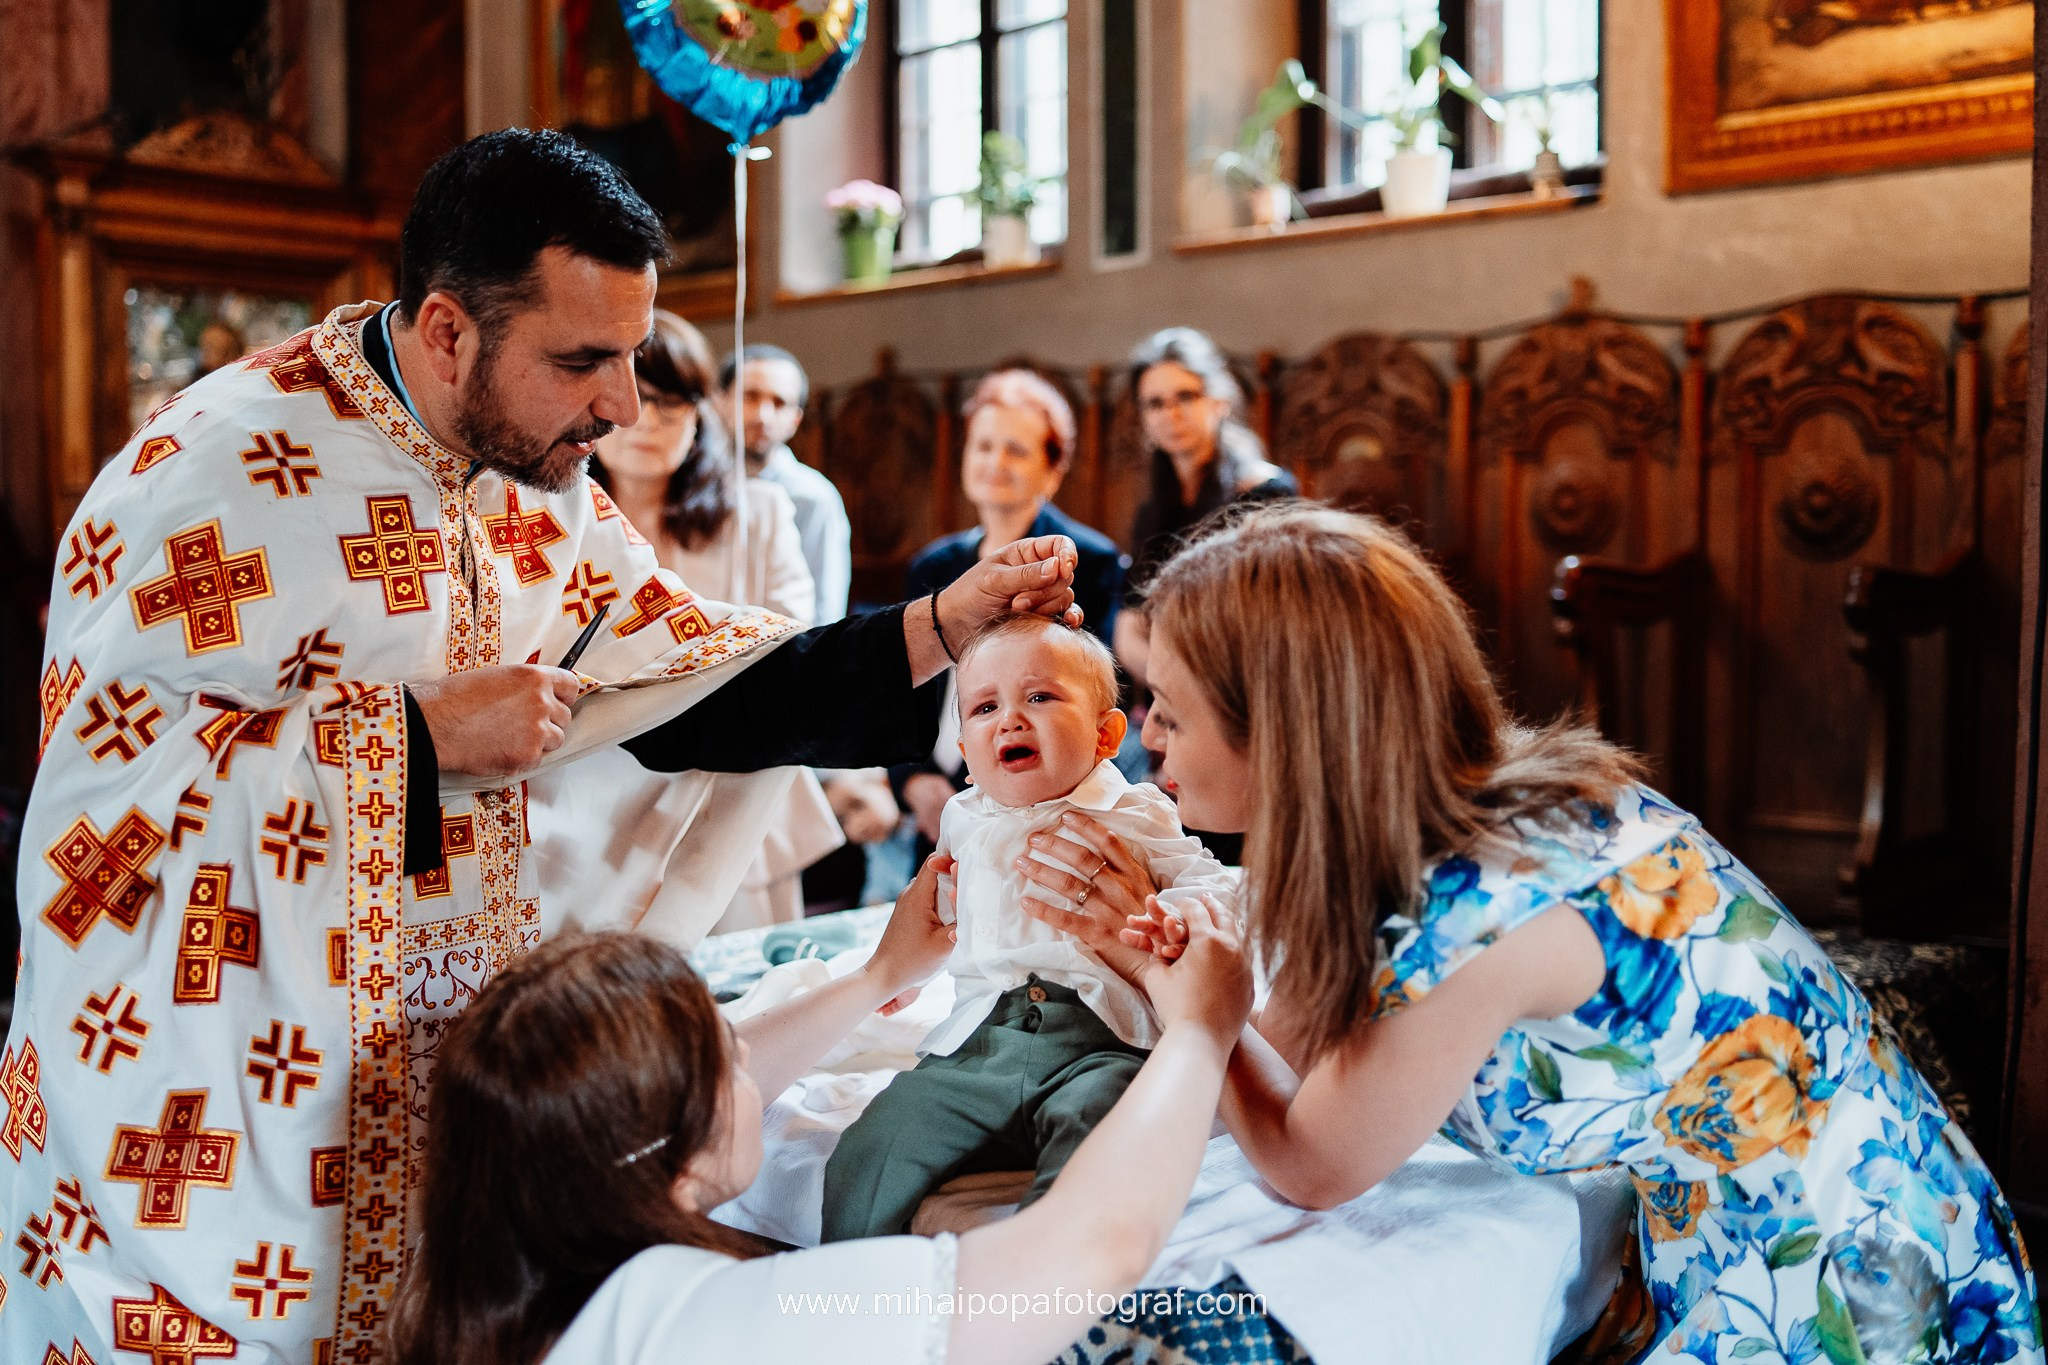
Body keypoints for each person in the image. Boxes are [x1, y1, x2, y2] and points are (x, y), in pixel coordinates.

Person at [9, 128, 1082, 1363]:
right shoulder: (212, 472)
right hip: (240, 1111)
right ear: (448, 332)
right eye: (583, 361)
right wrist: (416, 734)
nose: (620, 405)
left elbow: (686, 687)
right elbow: (106, 815)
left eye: (631, 355)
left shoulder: (534, 477)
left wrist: (938, 626)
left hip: (458, 1081)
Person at [1025, 505, 2044, 1364]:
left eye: (1169, 710)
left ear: (1288, 734)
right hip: (1825, 1225)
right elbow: (1309, 1038)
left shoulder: (1478, 912)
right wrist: (1183, 964)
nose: (1146, 736)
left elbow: (1310, 1161)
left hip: (1851, 1294)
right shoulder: (1477, 794)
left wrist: (1199, 1017)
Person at [388, 854, 1253, 1365]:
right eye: (733, 1059)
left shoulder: (486, 1282)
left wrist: (882, 974)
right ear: (663, 1150)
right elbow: (1086, 1252)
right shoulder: (713, 1320)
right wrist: (1201, 1029)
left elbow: (681, 1098)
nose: (754, 1067)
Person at [821, 616, 1232, 1241]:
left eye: (1040, 697)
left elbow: (1210, 884)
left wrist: (1174, 920)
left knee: (1104, 1139)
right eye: (984, 708)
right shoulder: (962, 817)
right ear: (966, 754)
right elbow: (939, 907)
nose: (1010, 720)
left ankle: (1048, 1262)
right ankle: (853, 1278)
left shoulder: (1136, 811)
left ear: (1105, 734)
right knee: (871, 1147)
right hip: (981, 1044)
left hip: (1104, 1043)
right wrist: (902, 976)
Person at [592, 311, 838, 930]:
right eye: (636, 396)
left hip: (726, 788)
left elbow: (795, 646)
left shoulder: (757, 513)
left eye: (671, 403)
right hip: (591, 796)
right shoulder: (552, 519)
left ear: (700, 412)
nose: (648, 420)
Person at [892, 369, 1127, 860]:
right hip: (937, 787)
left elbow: (1095, 690)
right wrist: (912, 780)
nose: (995, 463)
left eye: (1016, 451)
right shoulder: (932, 565)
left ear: (1052, 470)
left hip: (1043, 794)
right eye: (983, 446)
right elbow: (904, 690)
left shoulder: (1089, 559)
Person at [1114, 327, 1294, 692]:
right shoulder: (1153, 509)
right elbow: (1128, 624)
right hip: (1164, 685)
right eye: (1155, 403)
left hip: (1243, 685)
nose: (1171, 414)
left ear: (1219, 401)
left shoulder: (1265, 492)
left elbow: (1269, 622)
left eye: (1185, 396)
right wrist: (1169, 684)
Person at [721, 343, 852, 626]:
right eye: (750, 397)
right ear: (721, 401)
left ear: (796, 419)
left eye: (779, 403)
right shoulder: (693, 487)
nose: (763, 416)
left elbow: (825, 615)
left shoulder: (815, 498)